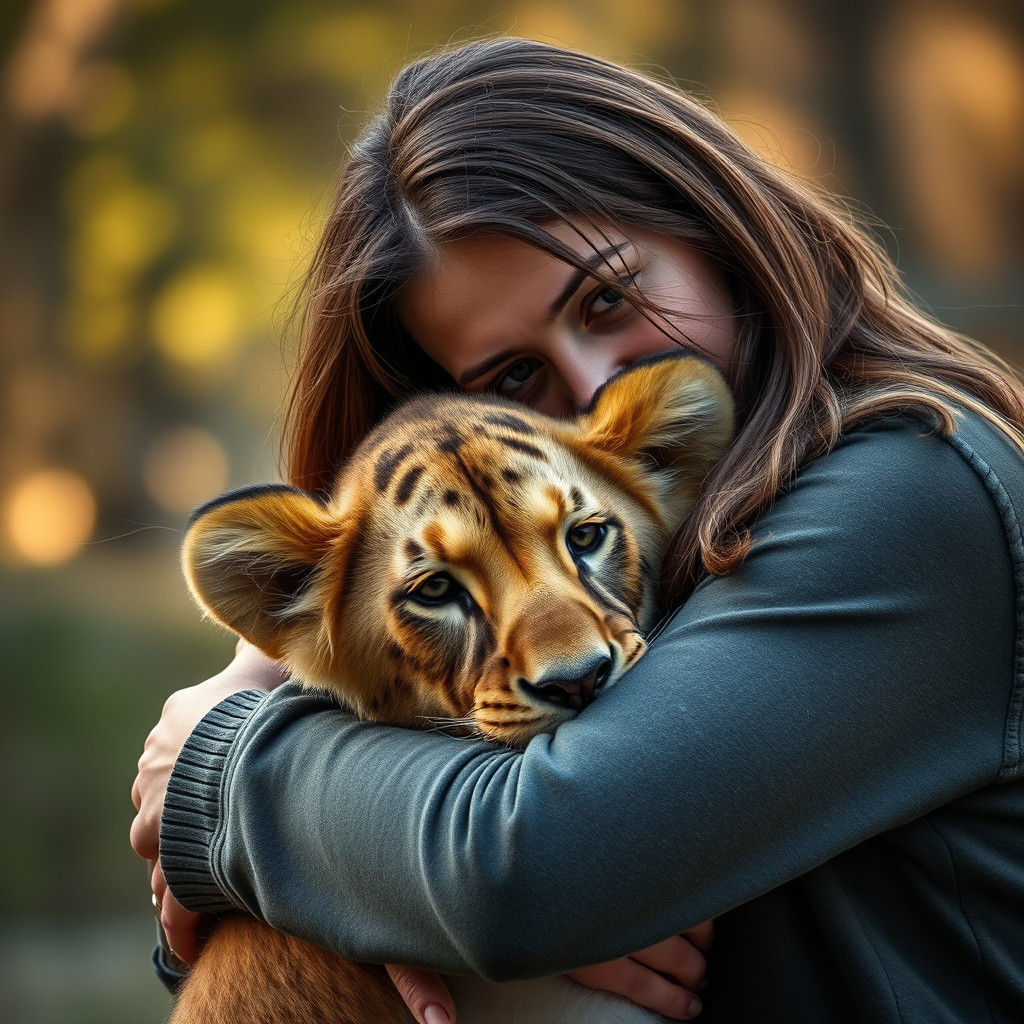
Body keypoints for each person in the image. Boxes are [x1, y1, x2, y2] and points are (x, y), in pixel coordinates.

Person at [130, 35, 1024, 1024]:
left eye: (608, 295)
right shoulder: (616, 528)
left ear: (709, 225)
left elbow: (531, 870)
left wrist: (221, 777)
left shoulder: (910, 490)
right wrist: (348, 874)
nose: (597, 388)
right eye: (513, 378)